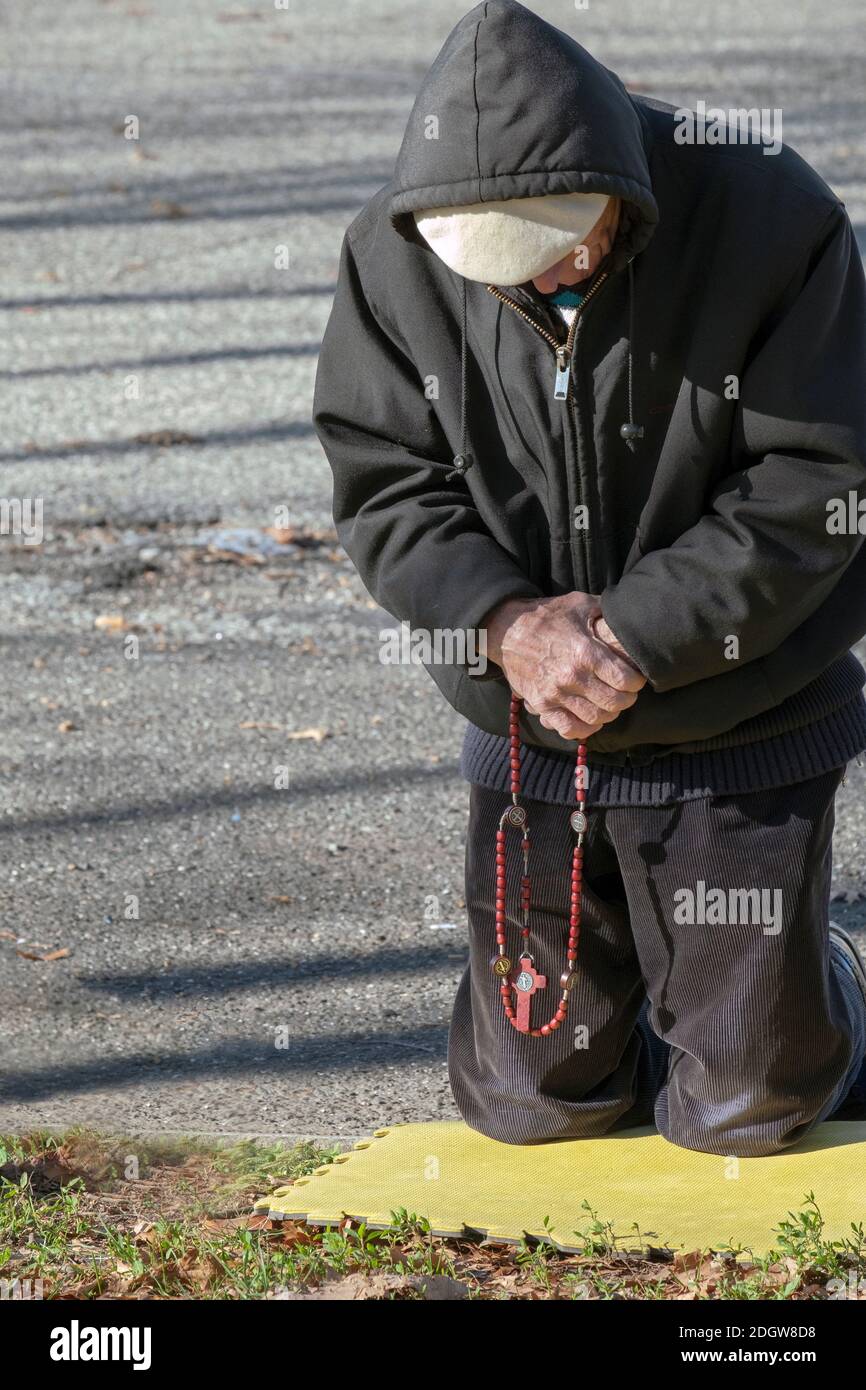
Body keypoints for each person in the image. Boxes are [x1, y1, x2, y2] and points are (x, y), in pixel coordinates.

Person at [312, 0, 866, 1157]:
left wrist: (631, 634)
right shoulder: (392, 250)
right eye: (512, 271)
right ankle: (681, 1003)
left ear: (620, 189)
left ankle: (814, 985)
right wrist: (503, 621)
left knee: (745, 1112)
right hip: (529, 734)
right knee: (530, 1109)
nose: (553, 276)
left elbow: (817, 484)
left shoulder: (772, 217)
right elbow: (386, 485)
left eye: (567, 243)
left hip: (737, 711)